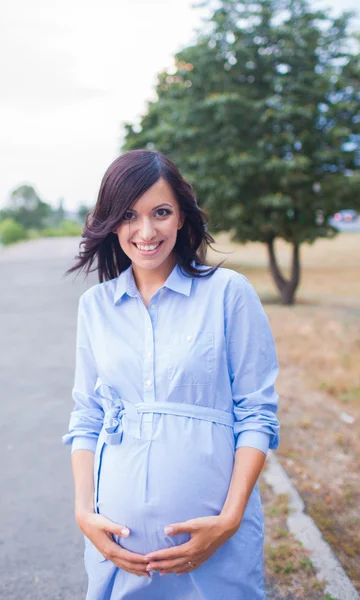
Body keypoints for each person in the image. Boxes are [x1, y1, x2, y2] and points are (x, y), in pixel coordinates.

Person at [62, 149, 280, 600]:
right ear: (110, 223)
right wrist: (85, 513)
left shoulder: (228, 294)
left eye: (160, 212)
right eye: (128, 215)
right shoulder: (96, 307)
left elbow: (257, 414)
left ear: (182, 217)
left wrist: (229, 520)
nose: (146, 231)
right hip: (119, 553)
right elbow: (86, 417)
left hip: (216, 550)